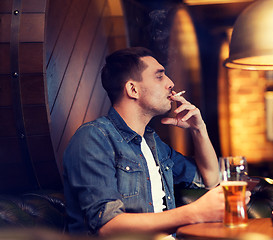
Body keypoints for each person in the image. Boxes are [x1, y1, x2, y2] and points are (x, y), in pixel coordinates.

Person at [63, 47, 250, 237]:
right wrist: (193, 213)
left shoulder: (152, 143)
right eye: (159, 76)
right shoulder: (94, 138)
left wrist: (198, 129)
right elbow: (107, 227)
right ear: (133, 89)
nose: (171, 83)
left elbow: (210, 178)